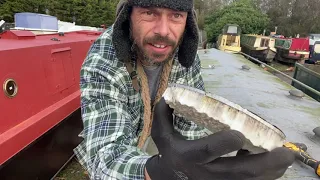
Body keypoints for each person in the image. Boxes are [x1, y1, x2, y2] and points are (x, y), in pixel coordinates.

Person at [74, 0, 295, 179]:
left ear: (188, 19)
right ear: (128, 15)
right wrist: (160, 171)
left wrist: (197, 164)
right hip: (127, 147)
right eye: (150, 13)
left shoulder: (185, 55)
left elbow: (190, 130)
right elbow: (106, 156)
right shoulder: (102, 61)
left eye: (176, 15)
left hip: (160, 143)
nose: (163, 31)